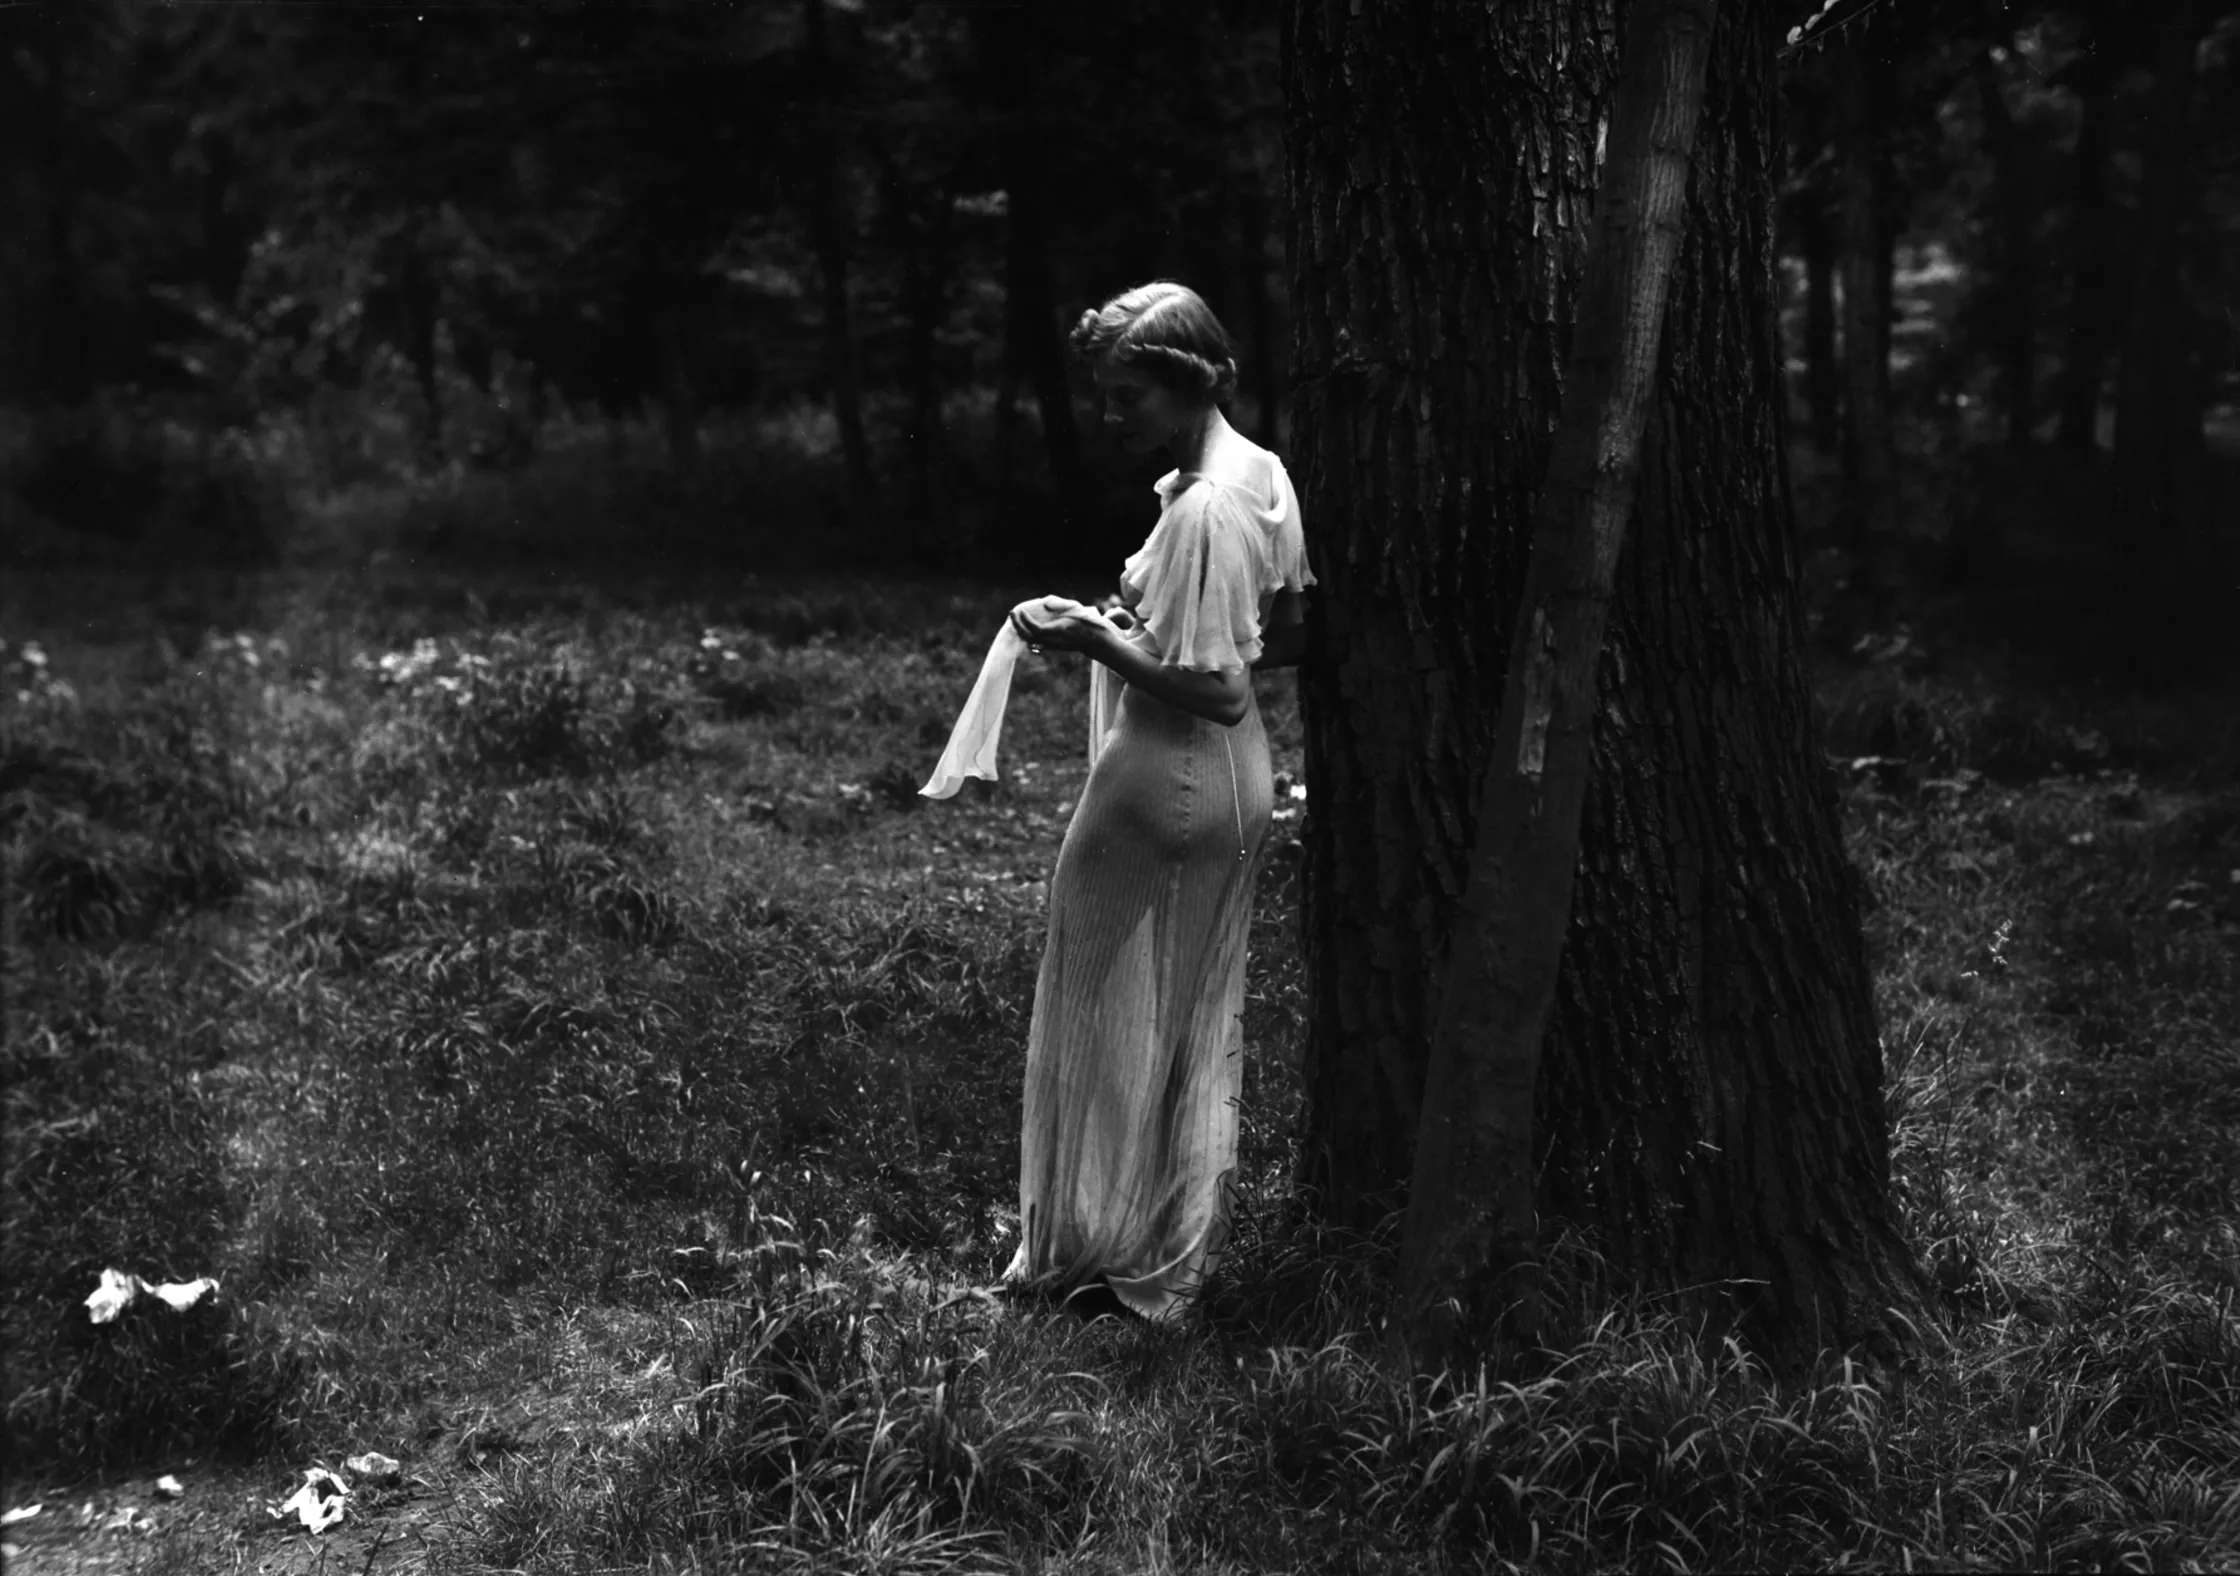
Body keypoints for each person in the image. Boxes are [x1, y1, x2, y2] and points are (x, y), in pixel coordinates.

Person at [1002, 281, 1313, 1321]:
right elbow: (1283, 631)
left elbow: (1220, 689)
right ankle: (1142, 1239)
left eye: (1125, 394)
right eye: (1104, 394)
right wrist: (1140, 627)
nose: (1108, 414)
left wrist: (1096, 639)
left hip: (1170, 779)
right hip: (1223, 785)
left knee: (1098, 1000)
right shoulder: (1254, 472)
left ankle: (1093, 1246)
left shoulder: (1207, 506)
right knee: (1173, 1012)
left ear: (1186, 386)